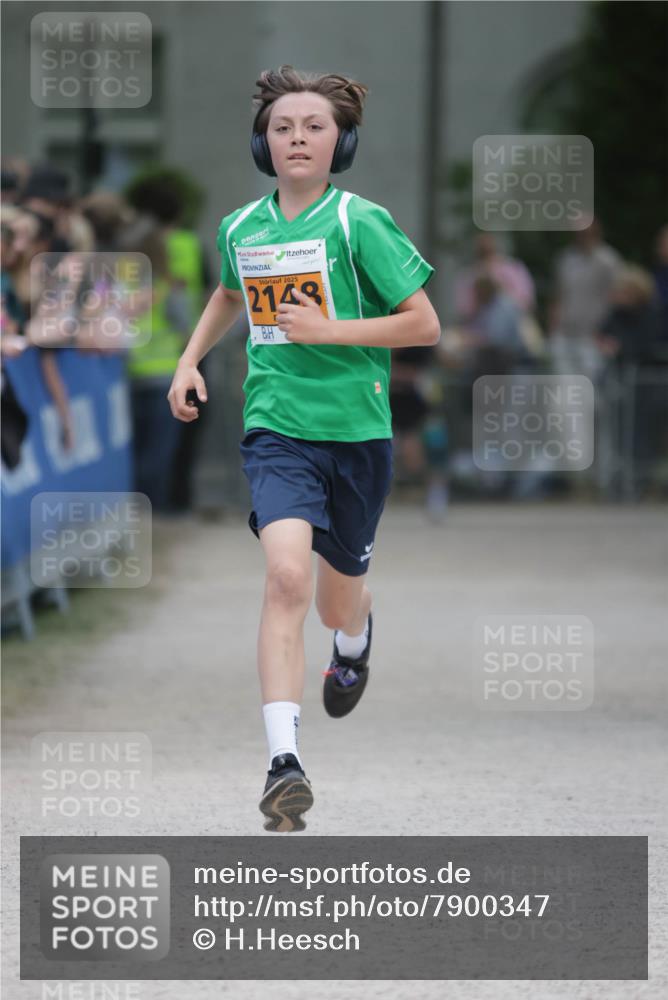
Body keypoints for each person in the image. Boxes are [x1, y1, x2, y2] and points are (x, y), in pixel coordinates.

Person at [167, 65, 439, 832]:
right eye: (283, 127)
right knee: (286, 578)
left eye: (314, 126)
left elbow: (424, 324)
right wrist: (189, 361)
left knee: (335, 597)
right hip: (276, 425)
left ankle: (353, 641)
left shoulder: (360, 222)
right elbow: (227, 292)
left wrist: (332, 332)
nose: (297, 138)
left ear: (340, 141)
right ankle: (283, 763)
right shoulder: (240, 227)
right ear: (264, 143)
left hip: (357, 432)